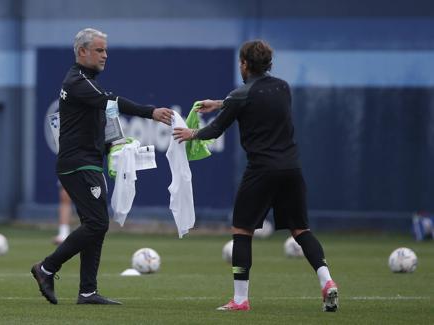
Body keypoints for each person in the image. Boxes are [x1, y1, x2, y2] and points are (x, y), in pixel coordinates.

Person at [173, 40, 338, 312]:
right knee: (301, 230)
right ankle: (327, 281)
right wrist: (221, 103)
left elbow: (215, 130)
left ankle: (240, 299)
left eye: (241, 62)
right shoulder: (282, 87)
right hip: (291, 169)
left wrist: (192, 134)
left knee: (242, 230)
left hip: (261, 170)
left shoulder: (241, 95)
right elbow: (253, 97)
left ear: (245, 64)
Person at [31, 28, 173, 305]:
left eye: (106, 50)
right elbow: (112, 102)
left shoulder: (86, 81)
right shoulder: (77, 81)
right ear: (82, 52)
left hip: (88, 161)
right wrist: (150, 112)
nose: (105, 55)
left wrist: (116, 146)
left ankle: (87, 292)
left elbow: (95, 122)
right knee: (97, 224)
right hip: (78, 164)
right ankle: (46, 268)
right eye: (99, 50)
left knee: (94, 224)